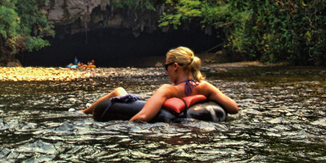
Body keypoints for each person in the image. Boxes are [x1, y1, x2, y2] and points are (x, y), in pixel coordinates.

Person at [81, 46, 238, 121]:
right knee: (119, 91)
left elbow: (142, 117)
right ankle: (81, 112)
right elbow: (234, 108)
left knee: (118, 91)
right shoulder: (204, 87)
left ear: (175, 67)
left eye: (166, 66)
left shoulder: (168, 90)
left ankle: (81, 114)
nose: (166, 71)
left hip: (151, 107)